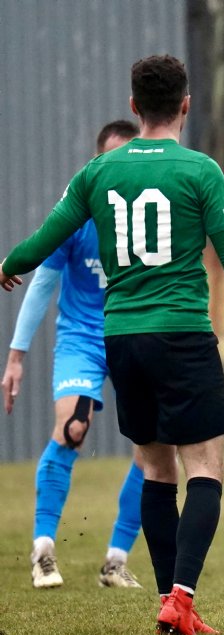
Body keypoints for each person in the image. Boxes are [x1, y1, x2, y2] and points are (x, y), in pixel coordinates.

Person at [0, 54, 224, 635]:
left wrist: (8, 264)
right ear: (185, 105)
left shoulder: (97, 172)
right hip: (182, 334)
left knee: (158, 471)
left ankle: (168, 602)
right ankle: (181, 600)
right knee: (205, 468)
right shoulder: (201, 170)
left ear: (135, 106)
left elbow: (43, 240)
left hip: (122, 339)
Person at [3, 121, 146, 590]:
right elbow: (42, 283)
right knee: (72, 429)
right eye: (110, 161)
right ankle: (43, 550)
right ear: (95, 164)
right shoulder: (76, 215)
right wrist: (17, 356)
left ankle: (115, 562)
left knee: (153, 448)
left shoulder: (149, 217)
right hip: (82, 339)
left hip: (132, 335)